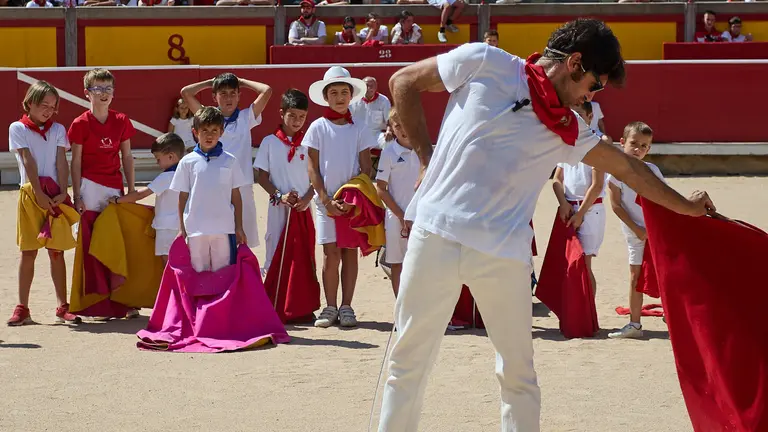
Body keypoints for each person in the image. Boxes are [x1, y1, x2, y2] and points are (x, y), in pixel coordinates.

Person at [378, 19, 715, 431]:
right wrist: (426, 158)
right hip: (436, 234)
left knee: (517, 374)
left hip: (502, 256)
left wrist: (686, 208)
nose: (592, 96)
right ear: (575, 63)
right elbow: (403, 82)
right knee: (408, 362)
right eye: (594, 85)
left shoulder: (570, 129)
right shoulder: (485, 61)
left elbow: (629, 169)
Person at [305, 66, 375, 328]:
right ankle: (330, 307)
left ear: (351, 95)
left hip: (350, 203)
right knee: (330, 254)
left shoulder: (360, 128)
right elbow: (312, 167)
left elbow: (366, 167)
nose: (339, 97)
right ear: (326, 97)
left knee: (349, 253)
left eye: (344, 92)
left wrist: (352, 197)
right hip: (325, 203)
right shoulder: (317, 127)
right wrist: (325, 199)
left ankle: (347, 307)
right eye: (333, 93)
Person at [7, 81, 80, 326]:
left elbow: (61, 161)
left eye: (52, 106)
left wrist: (63, 191)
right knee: (28, 252)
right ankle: (23, 307)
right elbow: (27, 159)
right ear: (29, 103)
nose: (48, 110)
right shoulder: (17, 127)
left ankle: (62, 306)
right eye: (43, 105)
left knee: (57, 252)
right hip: (31, 194)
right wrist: (38, 192)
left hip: (55, 195)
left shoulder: (58, 129)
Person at [68, 68, 138, 319]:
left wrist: (131, 189)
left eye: (108, 88)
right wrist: (77, 195)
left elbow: (127, 156)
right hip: (89, 187)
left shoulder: (121, 120)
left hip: (114, 188)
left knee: (116, 241)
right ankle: (97, 303)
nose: (103, 93)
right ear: (87, 93)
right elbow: (76, 161)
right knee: (91, 244)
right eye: (97, 88)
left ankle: (122, 299)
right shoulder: (79, 123)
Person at [181, 72, 271, 250]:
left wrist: (241, 81)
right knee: (216, 242)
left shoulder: (246, 117)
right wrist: (212, 82)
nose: (228, 98)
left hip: (242, 186)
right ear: (214, 97)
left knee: (243, 241)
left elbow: (266, 91)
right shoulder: (209, 118)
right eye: (223, 93)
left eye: (232, 93)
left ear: (239, 95)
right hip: (213, 187)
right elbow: (186, 92)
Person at [171, 106, 249, 273]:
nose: (209, 135)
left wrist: (239, 226)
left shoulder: (230, 161)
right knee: (198, 273)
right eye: (204, 130)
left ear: (221, 132)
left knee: (223, 274)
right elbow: (182, 196)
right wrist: (181, 228)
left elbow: (236, 197)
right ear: (195, 132)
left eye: (214, 130)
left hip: (223, 228)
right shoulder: (187, 162)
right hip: (195, 229)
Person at [607, 122, 664, 339]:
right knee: (635, 276)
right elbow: (616, 206)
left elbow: (663, 198)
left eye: (643, 146)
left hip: (656, 232)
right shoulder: (615, 174)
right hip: (635, 234)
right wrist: (637, 229)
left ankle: (672, 315)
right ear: (622, 143)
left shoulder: (653, 170)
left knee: (665, 274)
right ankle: (635, 324)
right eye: (634, 144)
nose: (638, 149)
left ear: (648, 149)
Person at [253, 89, 314, 273]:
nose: (297, 121)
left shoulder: (309, 143)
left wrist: (307, 198)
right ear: (282, 113)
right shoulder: (269, 142)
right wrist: (280, 196)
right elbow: (262, 177)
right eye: (292, 115)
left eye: (302, 116)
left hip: (302, 207)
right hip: (278, 206)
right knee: (275, 249)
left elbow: (317, 177)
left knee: (302, 255)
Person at [552, 102, 607, 296]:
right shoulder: (565, 143)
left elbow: (597, 185)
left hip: (590, 211)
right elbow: (556, 180)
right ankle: (575, 310)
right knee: (569, 264)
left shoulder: (599, 143)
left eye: (580, 114)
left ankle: (588, 311)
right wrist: (563, 203)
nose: (575, 119)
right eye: (572, 114)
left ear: (590, 117)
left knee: (584, 264)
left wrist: (581, 213)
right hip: (568, 210)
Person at [110, 133, 185, 266]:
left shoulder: (166, 177)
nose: (157, 162)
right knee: (180, 261)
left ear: (171, 156)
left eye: (158, 159)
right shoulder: (186, 174)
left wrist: (118, 200)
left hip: (166, 227)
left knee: (168, 263)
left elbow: (141, 194)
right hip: (181, 226)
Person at [374, 107, 419, 297]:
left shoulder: (424, 151)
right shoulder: (389, 152)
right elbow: (380, 188)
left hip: (421, 218)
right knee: (397, 263)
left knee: (421, 263)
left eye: (405, 123)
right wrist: (401, 216)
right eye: (397, 125)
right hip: (396, 218)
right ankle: (401, 309)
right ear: (391, 128)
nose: (402, 129)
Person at [349, 76, 392, 173]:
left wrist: (389, 131)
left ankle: (384, 172)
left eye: (371, 86)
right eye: (366, 86)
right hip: (358, 135)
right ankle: (353, 172)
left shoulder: (383, 100)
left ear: (376, 87)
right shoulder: (354, 100)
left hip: (376, 135)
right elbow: (347, 118)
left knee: (389, 143)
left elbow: (389, 120)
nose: (369, 88)